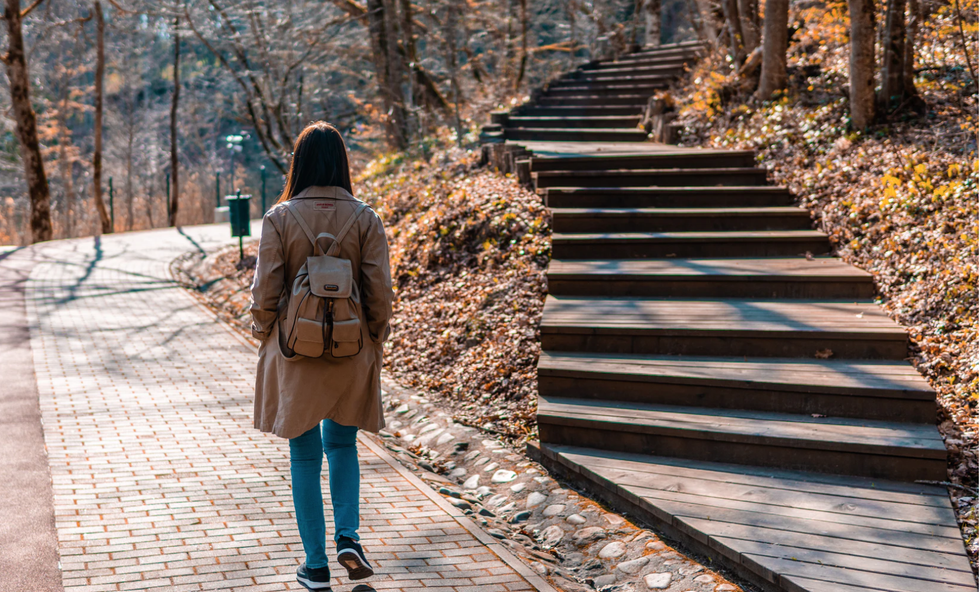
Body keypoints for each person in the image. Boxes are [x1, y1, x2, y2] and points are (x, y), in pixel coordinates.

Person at [249, 121, 394, 591]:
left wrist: (261, 330)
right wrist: (375, 339)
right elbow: (380, 293)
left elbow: (264, 292)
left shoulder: (279, 217)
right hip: (351, 350)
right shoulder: (365, 217)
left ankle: (315, 566)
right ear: (341, 163)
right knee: (343, 445)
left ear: (300, 162)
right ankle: (348, 537)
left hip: (295, 352)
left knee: (304, 454)